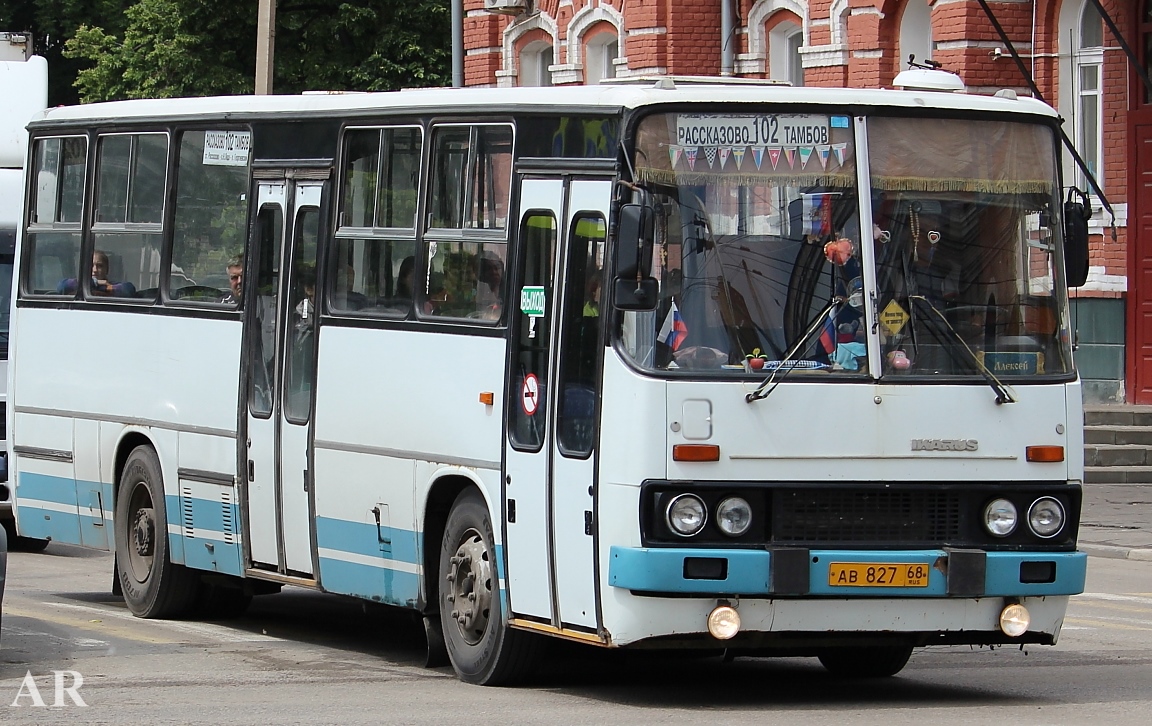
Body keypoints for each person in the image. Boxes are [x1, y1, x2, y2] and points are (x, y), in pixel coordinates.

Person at [58, 250, 136, 297]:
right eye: (91, 265)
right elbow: (62, 287)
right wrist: (95, 283)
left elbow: (129, 290)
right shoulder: (79, 284)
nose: (95, 270)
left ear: (107, 269)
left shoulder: (111, 286)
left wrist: (105, 287)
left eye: (100, 266)